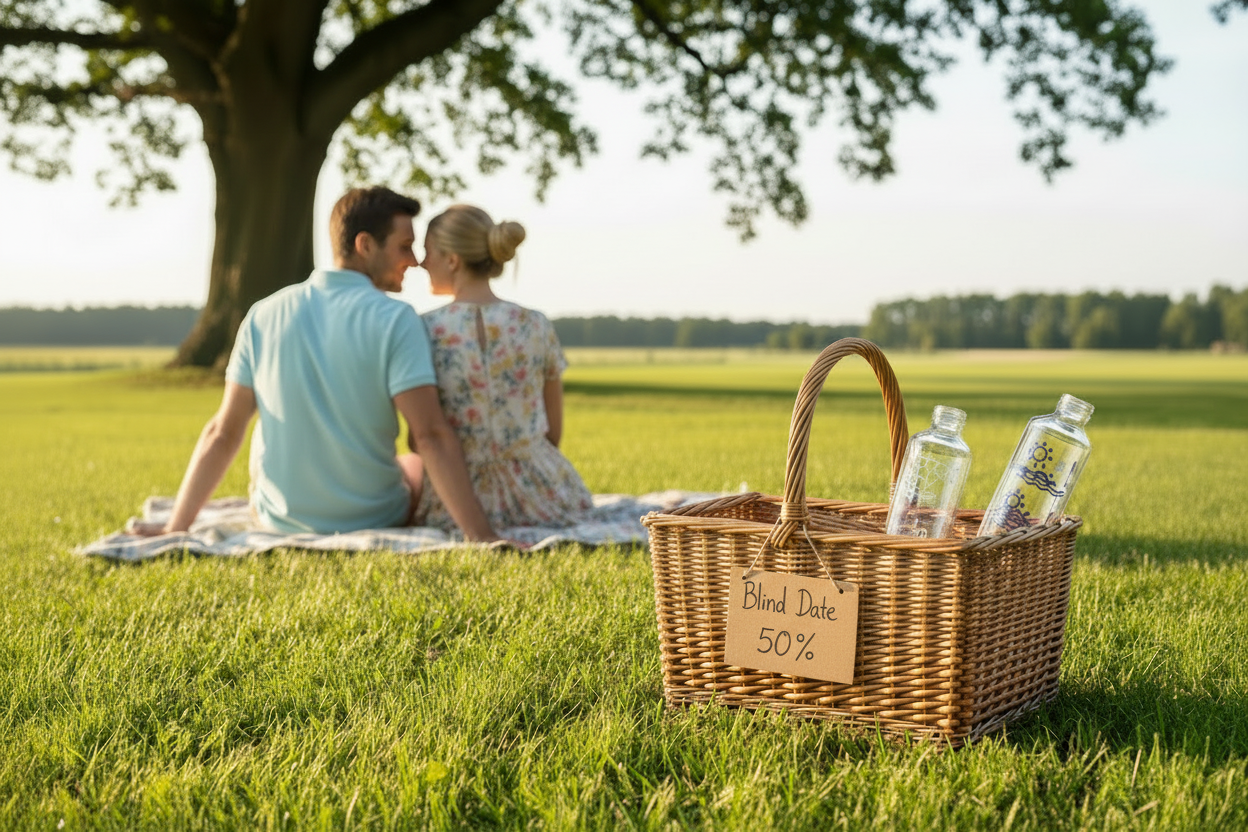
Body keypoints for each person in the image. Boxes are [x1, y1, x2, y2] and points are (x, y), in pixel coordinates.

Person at [141, 187, 500, 542]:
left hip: (279, 519)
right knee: (416, 464)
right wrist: (482, 535)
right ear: (365, 246)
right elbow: (430, 435)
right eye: (404, 247)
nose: (414, 261)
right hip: (377, 516)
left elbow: (223, 432)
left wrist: (177, 526)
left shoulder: (263, 314)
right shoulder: (396, 318)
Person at [414, 204, 593, 530]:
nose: (420, 262)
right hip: (545, 497)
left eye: (428, 252)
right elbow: (552, 433)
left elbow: (419, 441)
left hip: (456, 503)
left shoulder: (422, 330)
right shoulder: (535, 324)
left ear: (452, 260)